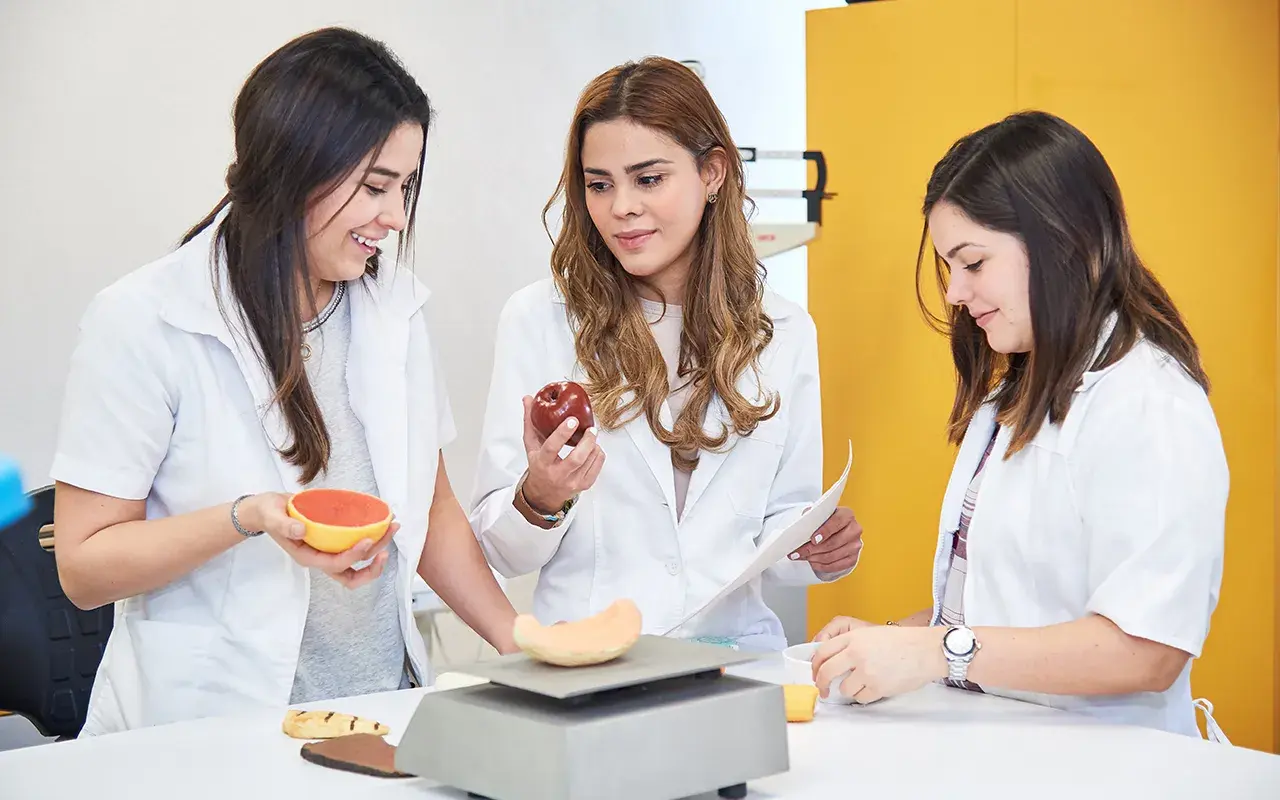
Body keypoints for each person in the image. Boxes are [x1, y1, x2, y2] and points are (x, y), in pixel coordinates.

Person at [49, 27, 519, 736]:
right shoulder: (145, 321)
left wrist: (525, 645)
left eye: (406, 187)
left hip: (380, 718)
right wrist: (249, 516)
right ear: (294, 168)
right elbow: (83, 566)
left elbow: (436, 508)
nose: (394, 217)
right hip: (216, 731)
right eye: (374, 187)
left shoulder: (396, 307)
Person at [810, 110, 1229, 739]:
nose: (954, 292)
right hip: (1005, 744)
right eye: (951, 267)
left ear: (1067, 240)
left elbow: (1149, 650)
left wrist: (936, 652)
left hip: (1106, 767)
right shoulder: (1019, 386)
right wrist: (904, 639)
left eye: (973, 263)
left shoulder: (1149, 402)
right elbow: (1013, 604)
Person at [468, 57, 863, 653]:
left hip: (737, 663)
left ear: (712, 173)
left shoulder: (783, 329)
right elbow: (499, 550)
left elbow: (783, 527)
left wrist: (821, 549)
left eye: (647, 179)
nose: (620, 206)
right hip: (591, 664)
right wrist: (541, 495)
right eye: (599, 184)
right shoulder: (539, 321)